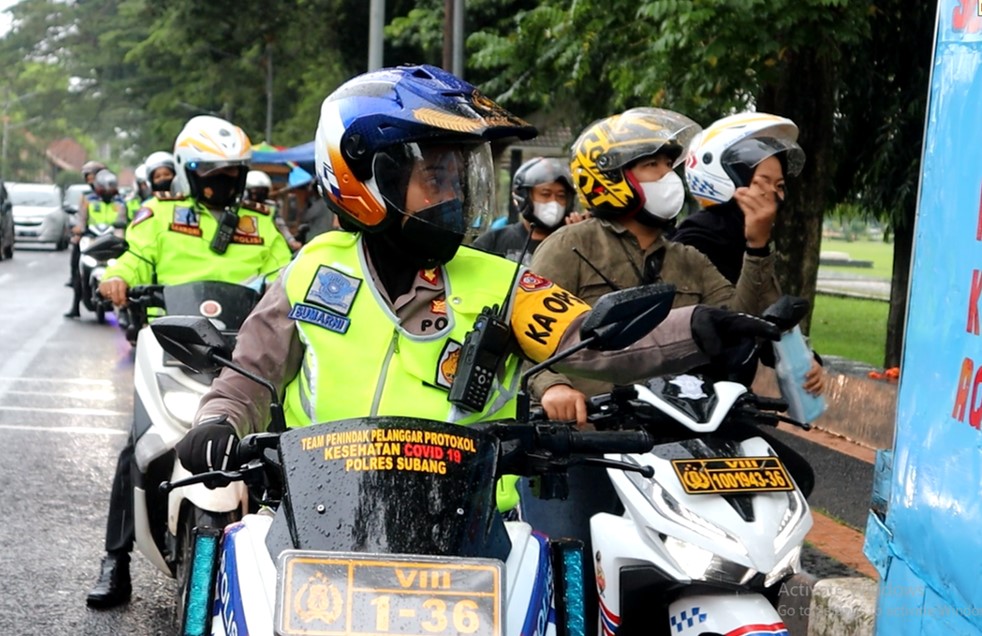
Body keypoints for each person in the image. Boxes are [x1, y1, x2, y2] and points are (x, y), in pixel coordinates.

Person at [171, 64, 777, 493]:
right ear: (366, 177)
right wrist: (217, 423)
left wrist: (701, 325)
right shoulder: (313, 268)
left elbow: (594, 342)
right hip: (319, 510)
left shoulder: (502, 282)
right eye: (436, 177)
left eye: (460, 178)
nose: (455, 195)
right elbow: (248, 377)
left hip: (468, 526)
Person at [523, 107, 819, 632]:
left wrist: (756, 245)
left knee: (792, 480)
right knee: (571, 560)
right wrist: (555, 385)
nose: (670, 178)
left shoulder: (686, 259)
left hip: (673, 434)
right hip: (591, 438)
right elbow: (527, 339)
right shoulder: (567, 248)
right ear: (612, 178)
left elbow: (738, 326)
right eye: (655, 167)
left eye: (669, 165)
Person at [85, 115, 292, 609]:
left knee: (280, 445)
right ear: (187, 172)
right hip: (173, 349)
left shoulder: (260, 227)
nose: (221, 183)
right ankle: (116, 560)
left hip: (244, 354)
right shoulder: (158, 216)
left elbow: (290, 276)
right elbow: (132, 261)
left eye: (230, 173)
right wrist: (115, 278)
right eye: (209, 173)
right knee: (138, 447)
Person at [674, 112, 805, 284]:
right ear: (729, 180)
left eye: (779, 185)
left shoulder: (745, 238)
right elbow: (733, 309)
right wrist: (757, 248)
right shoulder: (695, 244)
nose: (773, 195)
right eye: (762, 182)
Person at [472, 156, 585, 264]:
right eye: (545, 194)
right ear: (524, 197)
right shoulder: (493, 241)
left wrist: (580, 239)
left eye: (561, 196)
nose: (554, 202)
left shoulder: (575, 242)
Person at [65, 169, 126, 318]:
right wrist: (78, 230)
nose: (106, 190)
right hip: (91, 240)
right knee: (79, 269)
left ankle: (125, 310)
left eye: (110, 187)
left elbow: (124, 221)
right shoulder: (88, 200)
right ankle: (75, 306)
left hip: (112, 241)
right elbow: (81, 218)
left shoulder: (121, 202)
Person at [64, 160, 106, 289]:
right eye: (88, 178)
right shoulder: (86, 197)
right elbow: (81, 218)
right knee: (77, 256)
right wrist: (78, 230)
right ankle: (75, 300)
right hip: (90, 235)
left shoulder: (114, 197)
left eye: (93, 177)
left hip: (109, 236)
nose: (91, 181)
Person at [244, 169, 302, 251]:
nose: (256, 195)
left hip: (267, 245)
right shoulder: (239, 207)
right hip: (246, 243)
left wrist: (291, 241)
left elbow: (281, 226)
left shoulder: (271, 207)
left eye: (262, 191)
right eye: (254, 191)